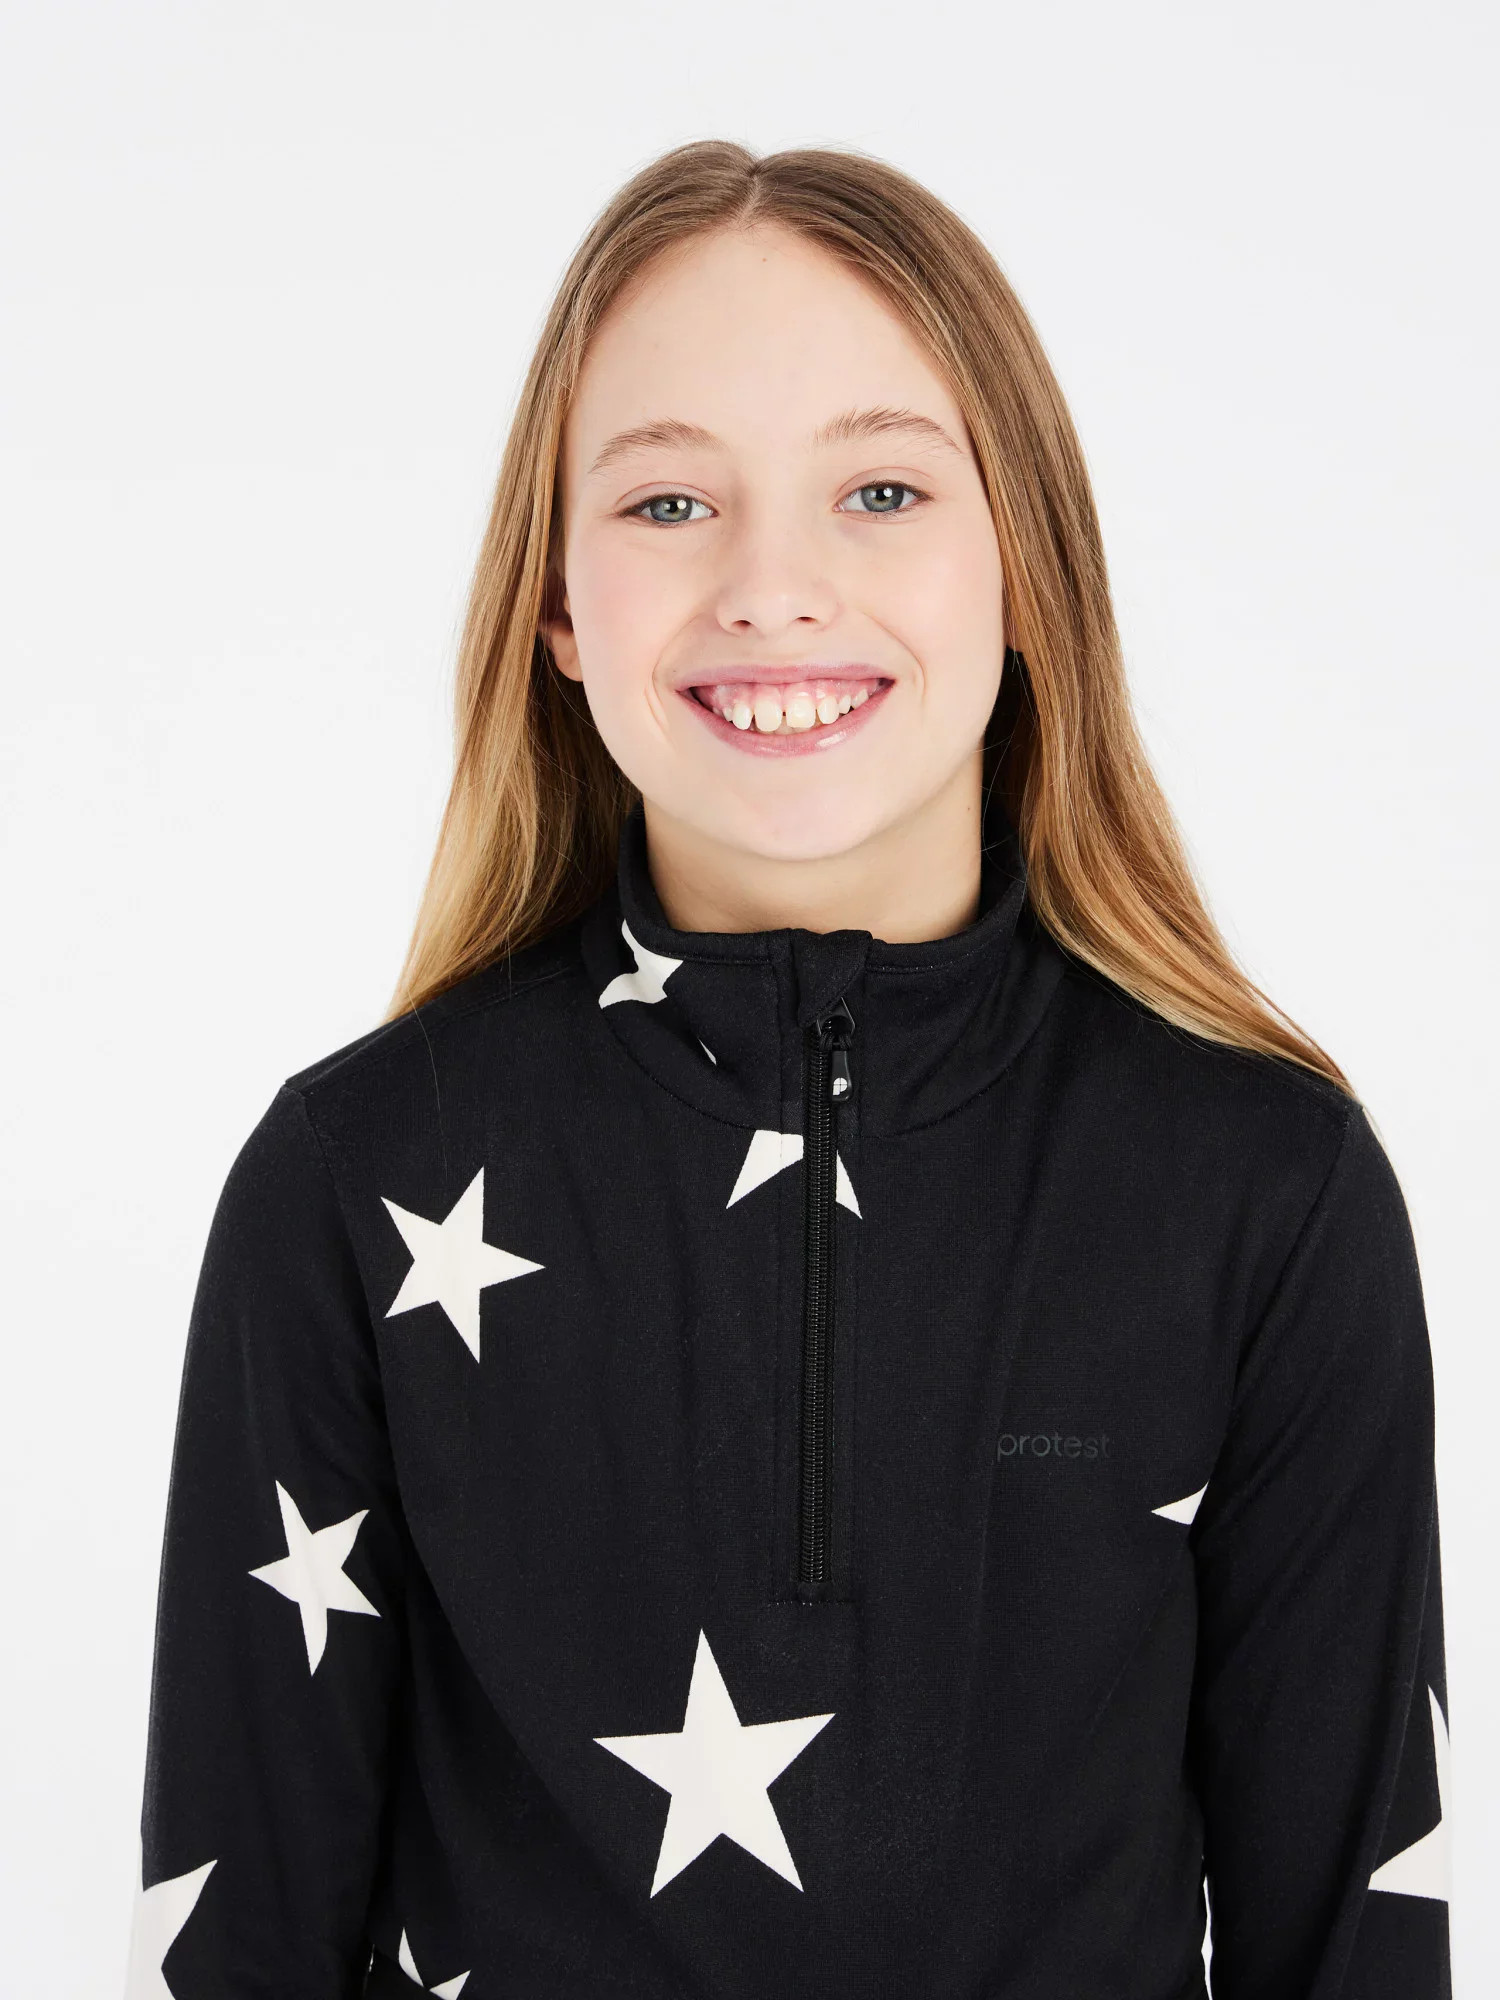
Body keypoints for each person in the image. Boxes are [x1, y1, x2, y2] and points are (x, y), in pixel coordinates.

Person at [126, 140, 1451, 1999]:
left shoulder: (1270, 1189)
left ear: (1024, 571)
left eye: (881, 489)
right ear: (558, 604)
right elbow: (241, 1932)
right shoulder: (348, 1179)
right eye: (669, 502)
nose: (772, 588)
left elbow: (1354, 1937)